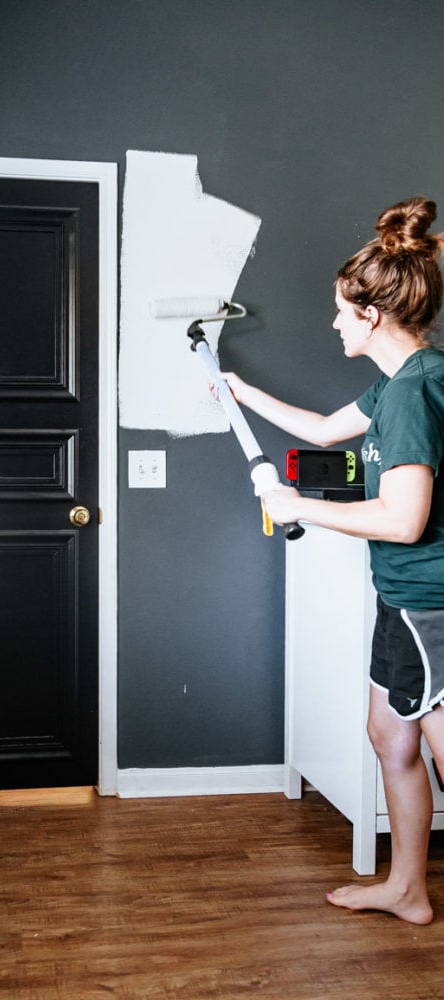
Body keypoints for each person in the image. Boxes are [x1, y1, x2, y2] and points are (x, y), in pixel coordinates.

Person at [222, 196, 444, 924]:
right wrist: (239, 392)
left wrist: (297, 508)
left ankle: (408, 887)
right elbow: (324, 430)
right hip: (401, 597)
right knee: (388, 735)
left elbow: (404, 520)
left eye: (341, 313)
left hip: (430, 599)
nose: (333, 323)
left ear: (372, 315)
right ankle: (407, 888)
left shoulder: (414, 391)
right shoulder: (399, 380)